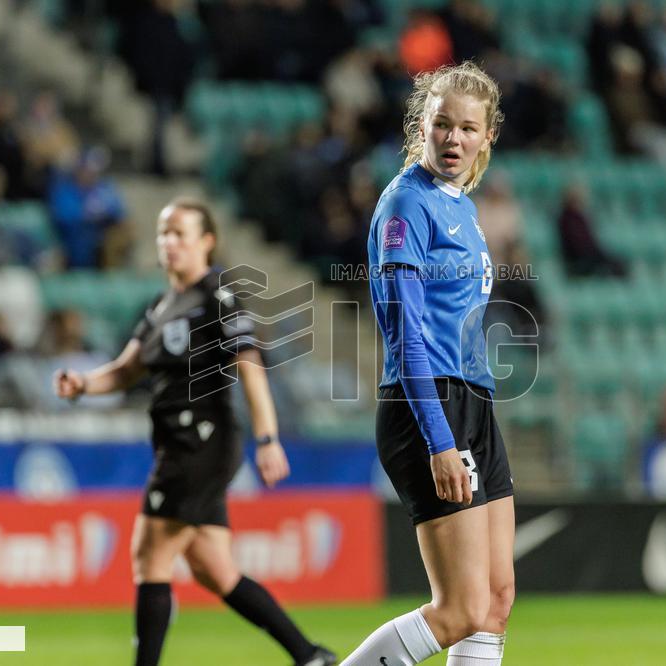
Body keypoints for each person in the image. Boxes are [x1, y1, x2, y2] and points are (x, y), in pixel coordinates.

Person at [53, 198, 336, 666]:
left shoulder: (217, 295)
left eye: (179, 233)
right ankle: (309, 655)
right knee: (217, 572)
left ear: (207, 242)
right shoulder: (160, 306)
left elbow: (251, 365)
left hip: (201, 441)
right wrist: (83, 383)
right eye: (163, 233)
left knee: (149, 553)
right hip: (176, 444)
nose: (168, 242)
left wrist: (267, 438)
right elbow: (127, 370)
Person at [347, 61, 514, 666]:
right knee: (460, 608)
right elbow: (405, 334)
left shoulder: (461, 208)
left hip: (473, 400)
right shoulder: (406, 206)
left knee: (495, 600)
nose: (453, 139)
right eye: (442, 124)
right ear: (421, 126)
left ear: (486, 137)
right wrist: (440, 440)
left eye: (468, 128)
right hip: (429, 405)